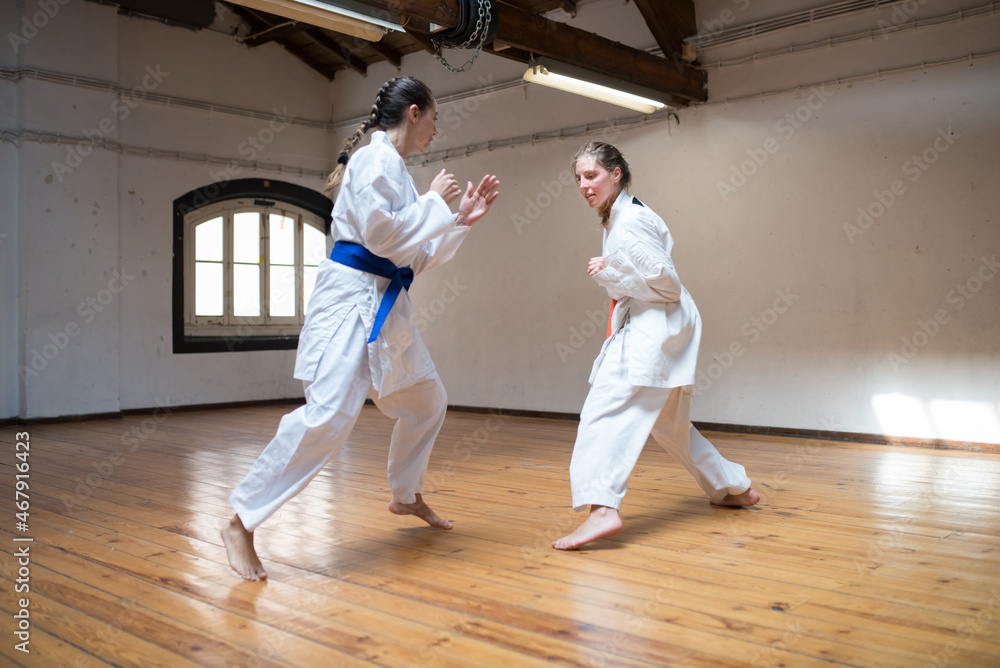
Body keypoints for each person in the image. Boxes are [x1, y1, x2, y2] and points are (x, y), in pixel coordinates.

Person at [223, 76, 500, 580]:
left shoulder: (392, 167)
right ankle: (242, 521)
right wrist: (436, 202)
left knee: (427, 400)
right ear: (414, 113)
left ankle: (406, 494)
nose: (436, 130)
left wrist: (460, 220)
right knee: (328, 418)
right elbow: (381, 233)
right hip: (349, 303)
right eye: (434, 119)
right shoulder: (375, 160)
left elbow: (407, 256)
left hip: (380, 303)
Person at [552, 141, 758, 551]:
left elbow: (667, 284)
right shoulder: (620, 217)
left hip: (654, 330)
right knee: (669, 425)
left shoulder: (629, 221)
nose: (583, 185)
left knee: (601, 411)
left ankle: (603, 509)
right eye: (578, 178)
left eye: (591, 175)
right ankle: (733, 487)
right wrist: (615, 272)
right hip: (657, 327)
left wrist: (610, 273)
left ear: (616, 173)